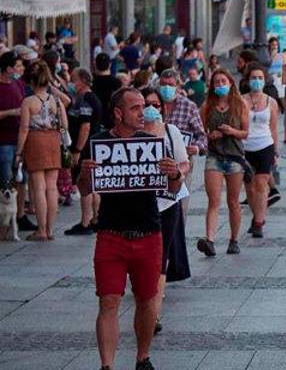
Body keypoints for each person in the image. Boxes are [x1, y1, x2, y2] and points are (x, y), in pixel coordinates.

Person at [78, 87, 183, 370]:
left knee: (147, 300)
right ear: (118, 113)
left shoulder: (152, 142)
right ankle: (107, 365)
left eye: (145, 106)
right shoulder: (98, 142)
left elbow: (174, 188)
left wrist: (175, 173)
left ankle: (142, 356)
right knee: (108, 301)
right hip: (111, 234)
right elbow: (84, 188)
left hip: (148, 232)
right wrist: (85, 174)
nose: (143, 112)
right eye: (135, 107)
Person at [139, 87, 191, 335]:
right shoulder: (130, 136)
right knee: (141, 263)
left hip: (167, 204)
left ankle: (154, 314)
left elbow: (184, 164)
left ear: (162, 107)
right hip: (138, 206)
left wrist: (175, 172)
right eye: (145, 104)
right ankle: (146, 305)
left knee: (160, 262)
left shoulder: (172, 132)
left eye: (155, 104)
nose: (151, 108)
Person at [197, 69, 249, 256]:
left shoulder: (239, 104)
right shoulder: (207, 106)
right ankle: (210, 240)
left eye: (223, 81)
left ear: (230, 83)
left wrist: (232, 132)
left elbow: (245, 132)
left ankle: (234, 239)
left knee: (233, 201)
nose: (220, 85)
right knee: (214, 200)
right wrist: (210, 136)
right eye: (216, 82)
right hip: (215, 156)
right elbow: (200, 132)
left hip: (235, 157)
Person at [16, 61, 67, 241]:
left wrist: (19, 152)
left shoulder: (28, 102)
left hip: (35, 141)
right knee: (52, 187)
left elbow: (23, 129)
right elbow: (65, 125)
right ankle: (50, 230)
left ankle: (41, 230)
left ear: (31, 81)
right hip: (53, 140)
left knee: (39, 187)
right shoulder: (56, 101)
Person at [157, 68, 207, 215]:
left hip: (181, 161)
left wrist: (196, 148)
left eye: (171, 85)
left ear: (178, 86)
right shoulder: (152, 105)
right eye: (163, 84)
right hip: (157, 163)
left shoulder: (188, 106)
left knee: (180, 205)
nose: (166, 88)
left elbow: (202, 136)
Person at [63, 68, 103, 236]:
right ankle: (96, 219)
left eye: (74, 80)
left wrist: (78, 150)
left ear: (82, 81)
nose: (72, 83)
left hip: (85, 147)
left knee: (85, 183)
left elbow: (85, 126)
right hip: (93, 145)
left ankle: (86, 222)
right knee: (94, 185)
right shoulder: (91, 97)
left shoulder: (86, 99)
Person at [242, 63, 279, 238]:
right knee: (249, 187)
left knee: (261, 185)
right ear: (248, 80)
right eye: (253, 78)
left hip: (265, 145)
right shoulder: (241, 101)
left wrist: (276, 151)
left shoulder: (271, 102)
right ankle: (257, 214)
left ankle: (258, 222)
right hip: (245, 147)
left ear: (265, 80)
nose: (257, 81)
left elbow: (273, 128)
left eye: (260, 78)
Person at [0, 52, 33, 231]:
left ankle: (20, 215)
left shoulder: (18, 84)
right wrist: (11, 112)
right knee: (7, 179)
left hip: (20, 138)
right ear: (8, 68)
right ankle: (6, 219)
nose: (19, 70)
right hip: (4, 141)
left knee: (22, 179)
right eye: (16, 66)